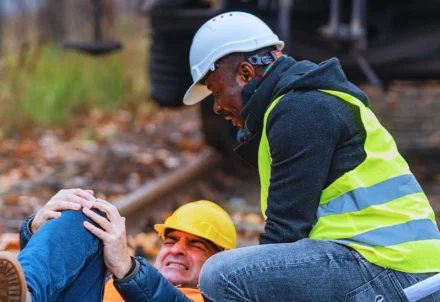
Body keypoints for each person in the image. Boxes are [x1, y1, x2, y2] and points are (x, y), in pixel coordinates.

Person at [182, 11, 440, 301]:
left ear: (245, 73)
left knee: (223, 275)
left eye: (216, 92)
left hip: (391, 270)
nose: (216, 107)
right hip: (386, 263)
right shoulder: (300, 101)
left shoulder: (301, 110)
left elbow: (284, 235)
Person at [0, 189, 236, 302]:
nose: (177, 249)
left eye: (196, 245)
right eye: (171, 240)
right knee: (87, 214)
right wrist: (34, 231)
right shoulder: (113, 284)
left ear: (222, 262)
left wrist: (127, 269)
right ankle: (27, 295)